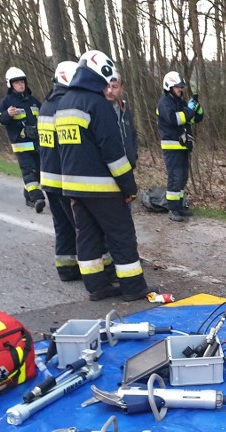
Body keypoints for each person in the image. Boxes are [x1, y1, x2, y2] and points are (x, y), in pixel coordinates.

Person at [56, 50, 153, 302]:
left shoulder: (64, 103)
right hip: (103, 187)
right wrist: (128, 186)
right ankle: (133, 287)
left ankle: (96, 287)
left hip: (73, 187)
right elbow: (114, 153)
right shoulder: (97, 105)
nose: (110, 90)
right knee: (121, 235)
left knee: (87, 237)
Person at [37, 60, 81, 282]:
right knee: (81, 227)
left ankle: (66, 269)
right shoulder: (66, 105)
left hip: (48, 176)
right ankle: (93, 271)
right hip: (65, 177)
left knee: (62, 226)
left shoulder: (46, 104)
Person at [0, 67, 46, 212]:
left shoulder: (34, 102)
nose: (20, 85)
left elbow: (45, 116)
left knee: (40, 172)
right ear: (11, 84)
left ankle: (28, 195)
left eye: (22, 82)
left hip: (38, 143)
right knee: (29, 171)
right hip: (21, 145)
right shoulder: (7, 101)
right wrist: (7, 114)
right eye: (17, 83)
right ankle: (37, 198)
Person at [156, 71, 204, 222]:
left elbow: (194, 119)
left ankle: (180, 206)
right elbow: (174, 119)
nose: (180, 89)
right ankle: (172, 209)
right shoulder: (164, 103)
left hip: (182, 146)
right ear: (169, 87)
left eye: (181, 87)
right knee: (175, 177)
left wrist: (196, 108)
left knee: (183, 177)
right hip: (172, 147)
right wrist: (188, 110)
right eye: (177, 87)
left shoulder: (180, 102)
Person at [106, 74, 138, 172]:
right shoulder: (97, 110)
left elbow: (132, 134)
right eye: (107, 86)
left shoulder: (125, 110)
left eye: (114, 86)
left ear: (121, 89)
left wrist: (133, 156)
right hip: (107, 172)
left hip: (128, 168)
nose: (110, 90)